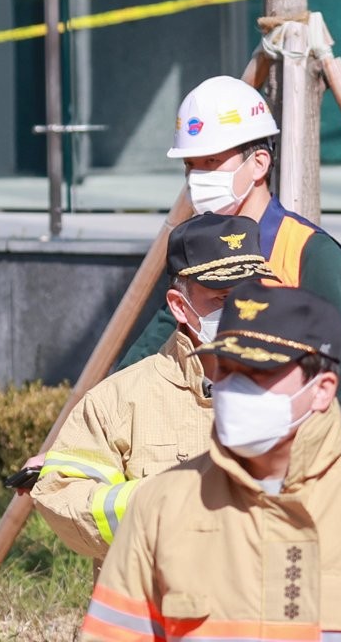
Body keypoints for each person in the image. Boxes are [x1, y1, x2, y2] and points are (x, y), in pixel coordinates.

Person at [80, 283, 341, 641]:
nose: (233, 388)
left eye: (258, 372)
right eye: (224, 368)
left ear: (322, 389)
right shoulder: (162, 506)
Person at [117, 75, 341, 442]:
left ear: (259, 164)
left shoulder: (310, 254)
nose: (198, 177)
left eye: (212, 161)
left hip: (294, 459)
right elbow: (153, 352)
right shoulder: (196, 250)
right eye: (191, 166)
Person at [31, 214, 276, 559]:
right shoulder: (118, 400)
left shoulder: (297, 386)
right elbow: (62, 496)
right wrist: (168, 502)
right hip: (155, 606)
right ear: (179, 306)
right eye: (221, 300)